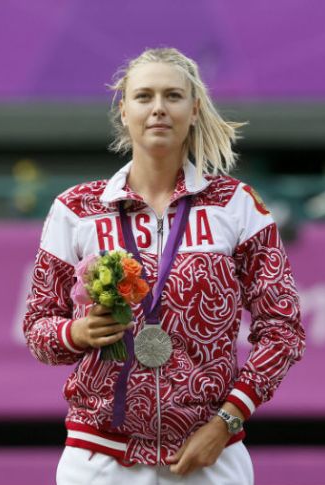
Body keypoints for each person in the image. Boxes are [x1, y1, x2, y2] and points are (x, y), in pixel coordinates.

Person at [23, 47, 306, 485]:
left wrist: (227, 422)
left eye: (173, 96)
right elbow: (39, 327)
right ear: (123, 109)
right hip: (99, 458)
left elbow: (283, 328)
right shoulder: (75, 209)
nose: (158, 108)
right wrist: (74, 333)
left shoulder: (236, 205)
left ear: (194, 109)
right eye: (144, 96)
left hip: (210, 456)